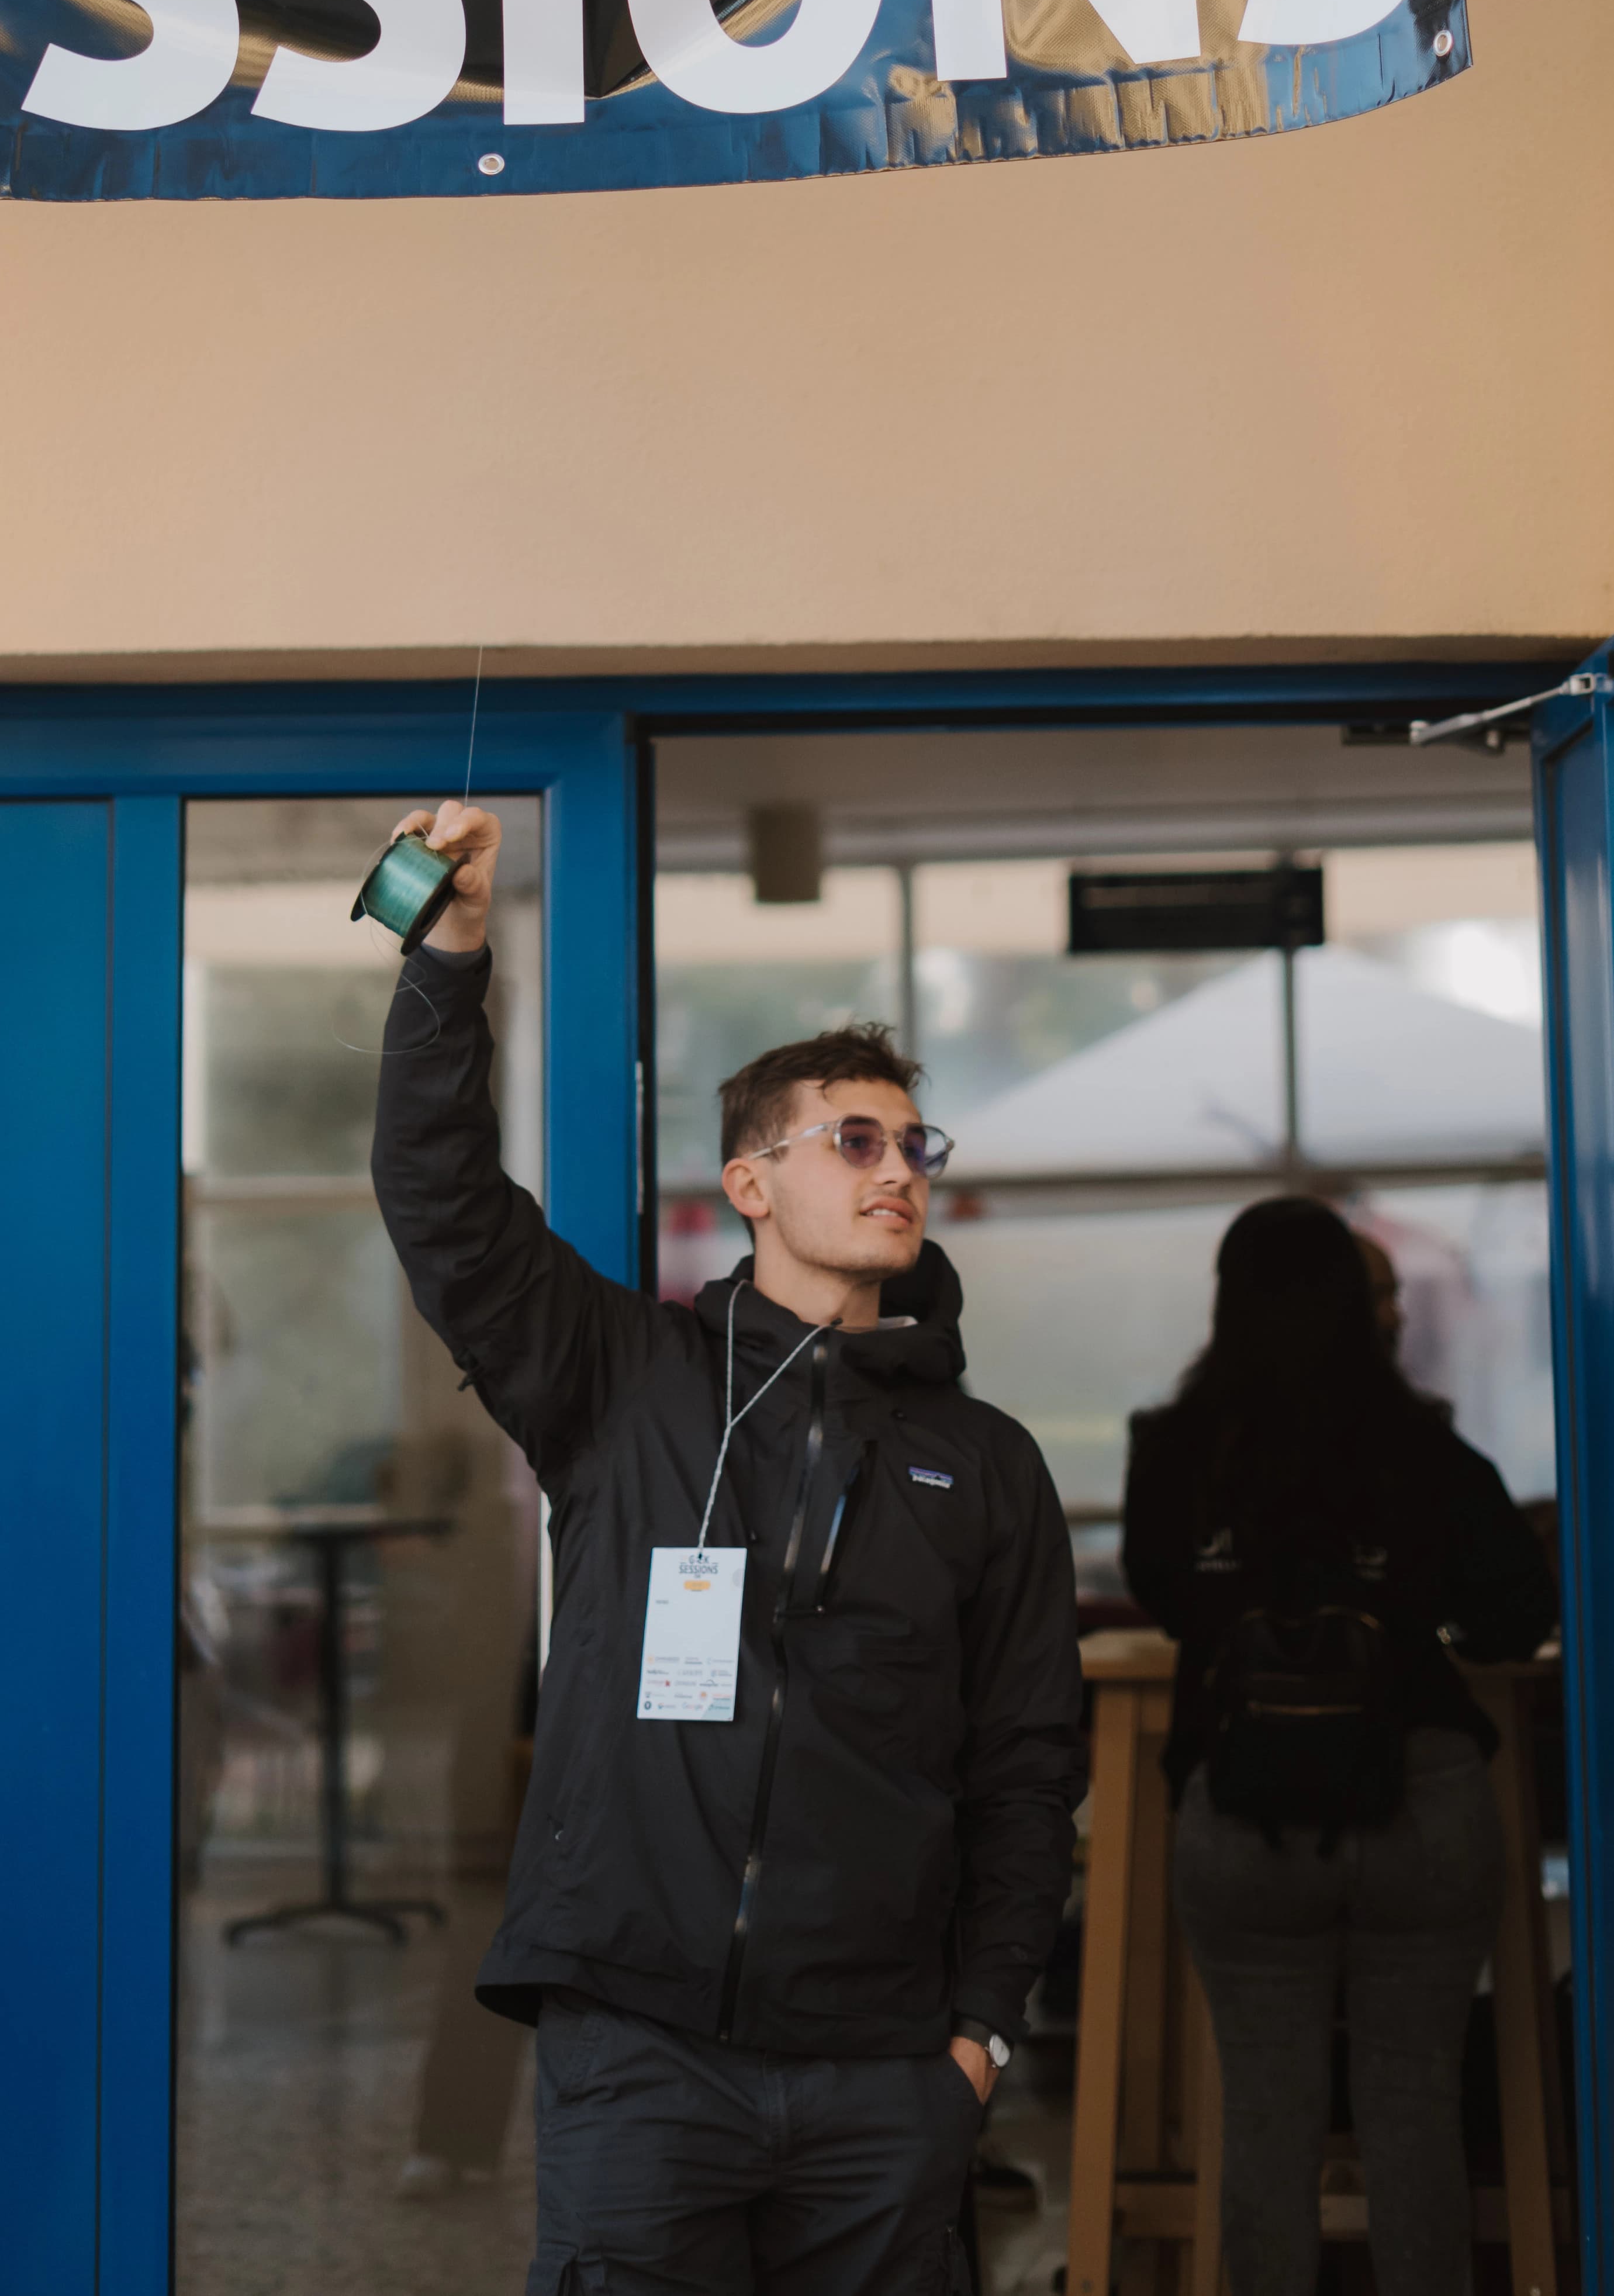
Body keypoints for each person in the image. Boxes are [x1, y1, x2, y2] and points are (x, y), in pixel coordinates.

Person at [370, 800, 1086, 2296]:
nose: (896, 1168)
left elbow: (1027, 1769)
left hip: (885, 2072)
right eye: (852, 1138)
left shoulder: (987, 1463)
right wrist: (449, 955)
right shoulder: (622, 1378)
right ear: (748, 1184)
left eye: (911, 1141)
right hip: (641, 2053)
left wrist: (974, 2035)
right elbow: (443, 1205)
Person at [1122, 1197, 1557, 2296]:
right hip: (1421, 1797)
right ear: (1362, 1306)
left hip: (1245, 1806)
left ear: (1228, 1302)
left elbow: (1166, 1598)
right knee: (1411, 2105)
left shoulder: (1174, 1448)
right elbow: (1515, 1610)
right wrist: (1420, 1619)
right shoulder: (1425, 1445)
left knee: (1266, 2113)